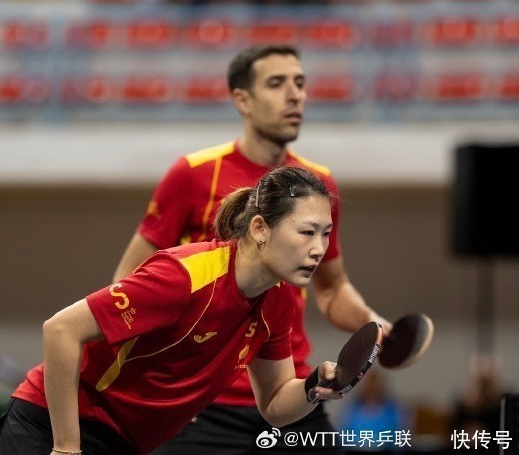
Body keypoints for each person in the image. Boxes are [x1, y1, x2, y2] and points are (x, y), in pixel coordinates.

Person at [113, 43, 391, 454]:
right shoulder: (193, 175)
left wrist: (371, 323)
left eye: (300, 83)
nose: (295, 95)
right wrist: (159, 386)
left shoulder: (318, 186)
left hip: (290, 391)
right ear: (242, 99)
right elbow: (128, 286)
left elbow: (332, 289)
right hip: (203, 402)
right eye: (276, 83)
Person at [0, 167, 348, 455]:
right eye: (307, 232)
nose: (319, 249)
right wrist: (67, 448)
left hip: (125, 443)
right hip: (52, 428)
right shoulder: (183, 277)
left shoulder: (279, 301)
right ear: (259, 229)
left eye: (326, 234)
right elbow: (61, 329)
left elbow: (274, 404)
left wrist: (314, 386)